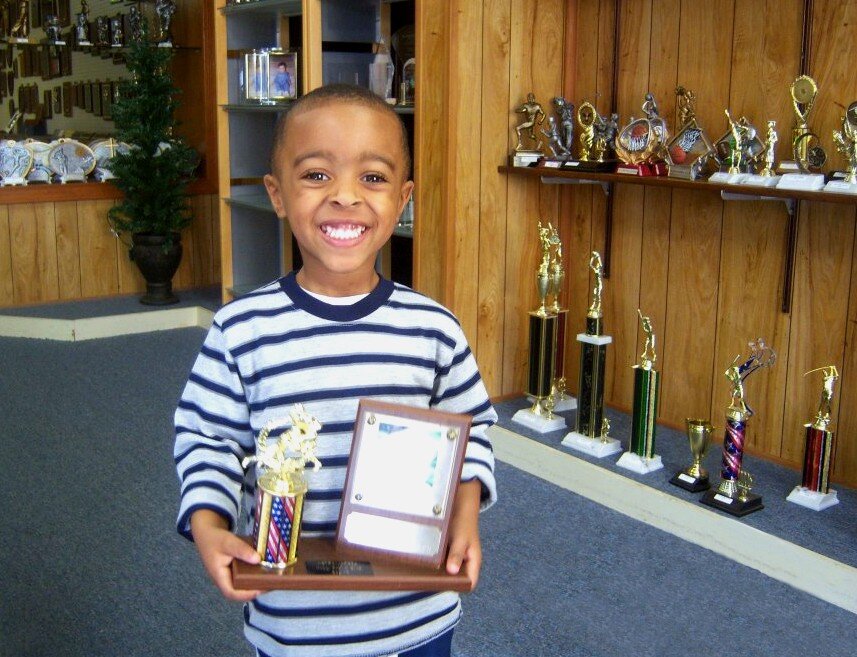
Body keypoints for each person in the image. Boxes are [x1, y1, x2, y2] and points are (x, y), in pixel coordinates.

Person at [174, 84, 497, 657]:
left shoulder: (435, 329)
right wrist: (208, 523)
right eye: (317, 175)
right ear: (277, 194)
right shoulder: (240, 330)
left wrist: (467, 514)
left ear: (404, 199)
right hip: (295, 628)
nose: (345, 196)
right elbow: (207, 439)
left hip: (418, 619)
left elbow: (470, 433)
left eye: (373, 178)